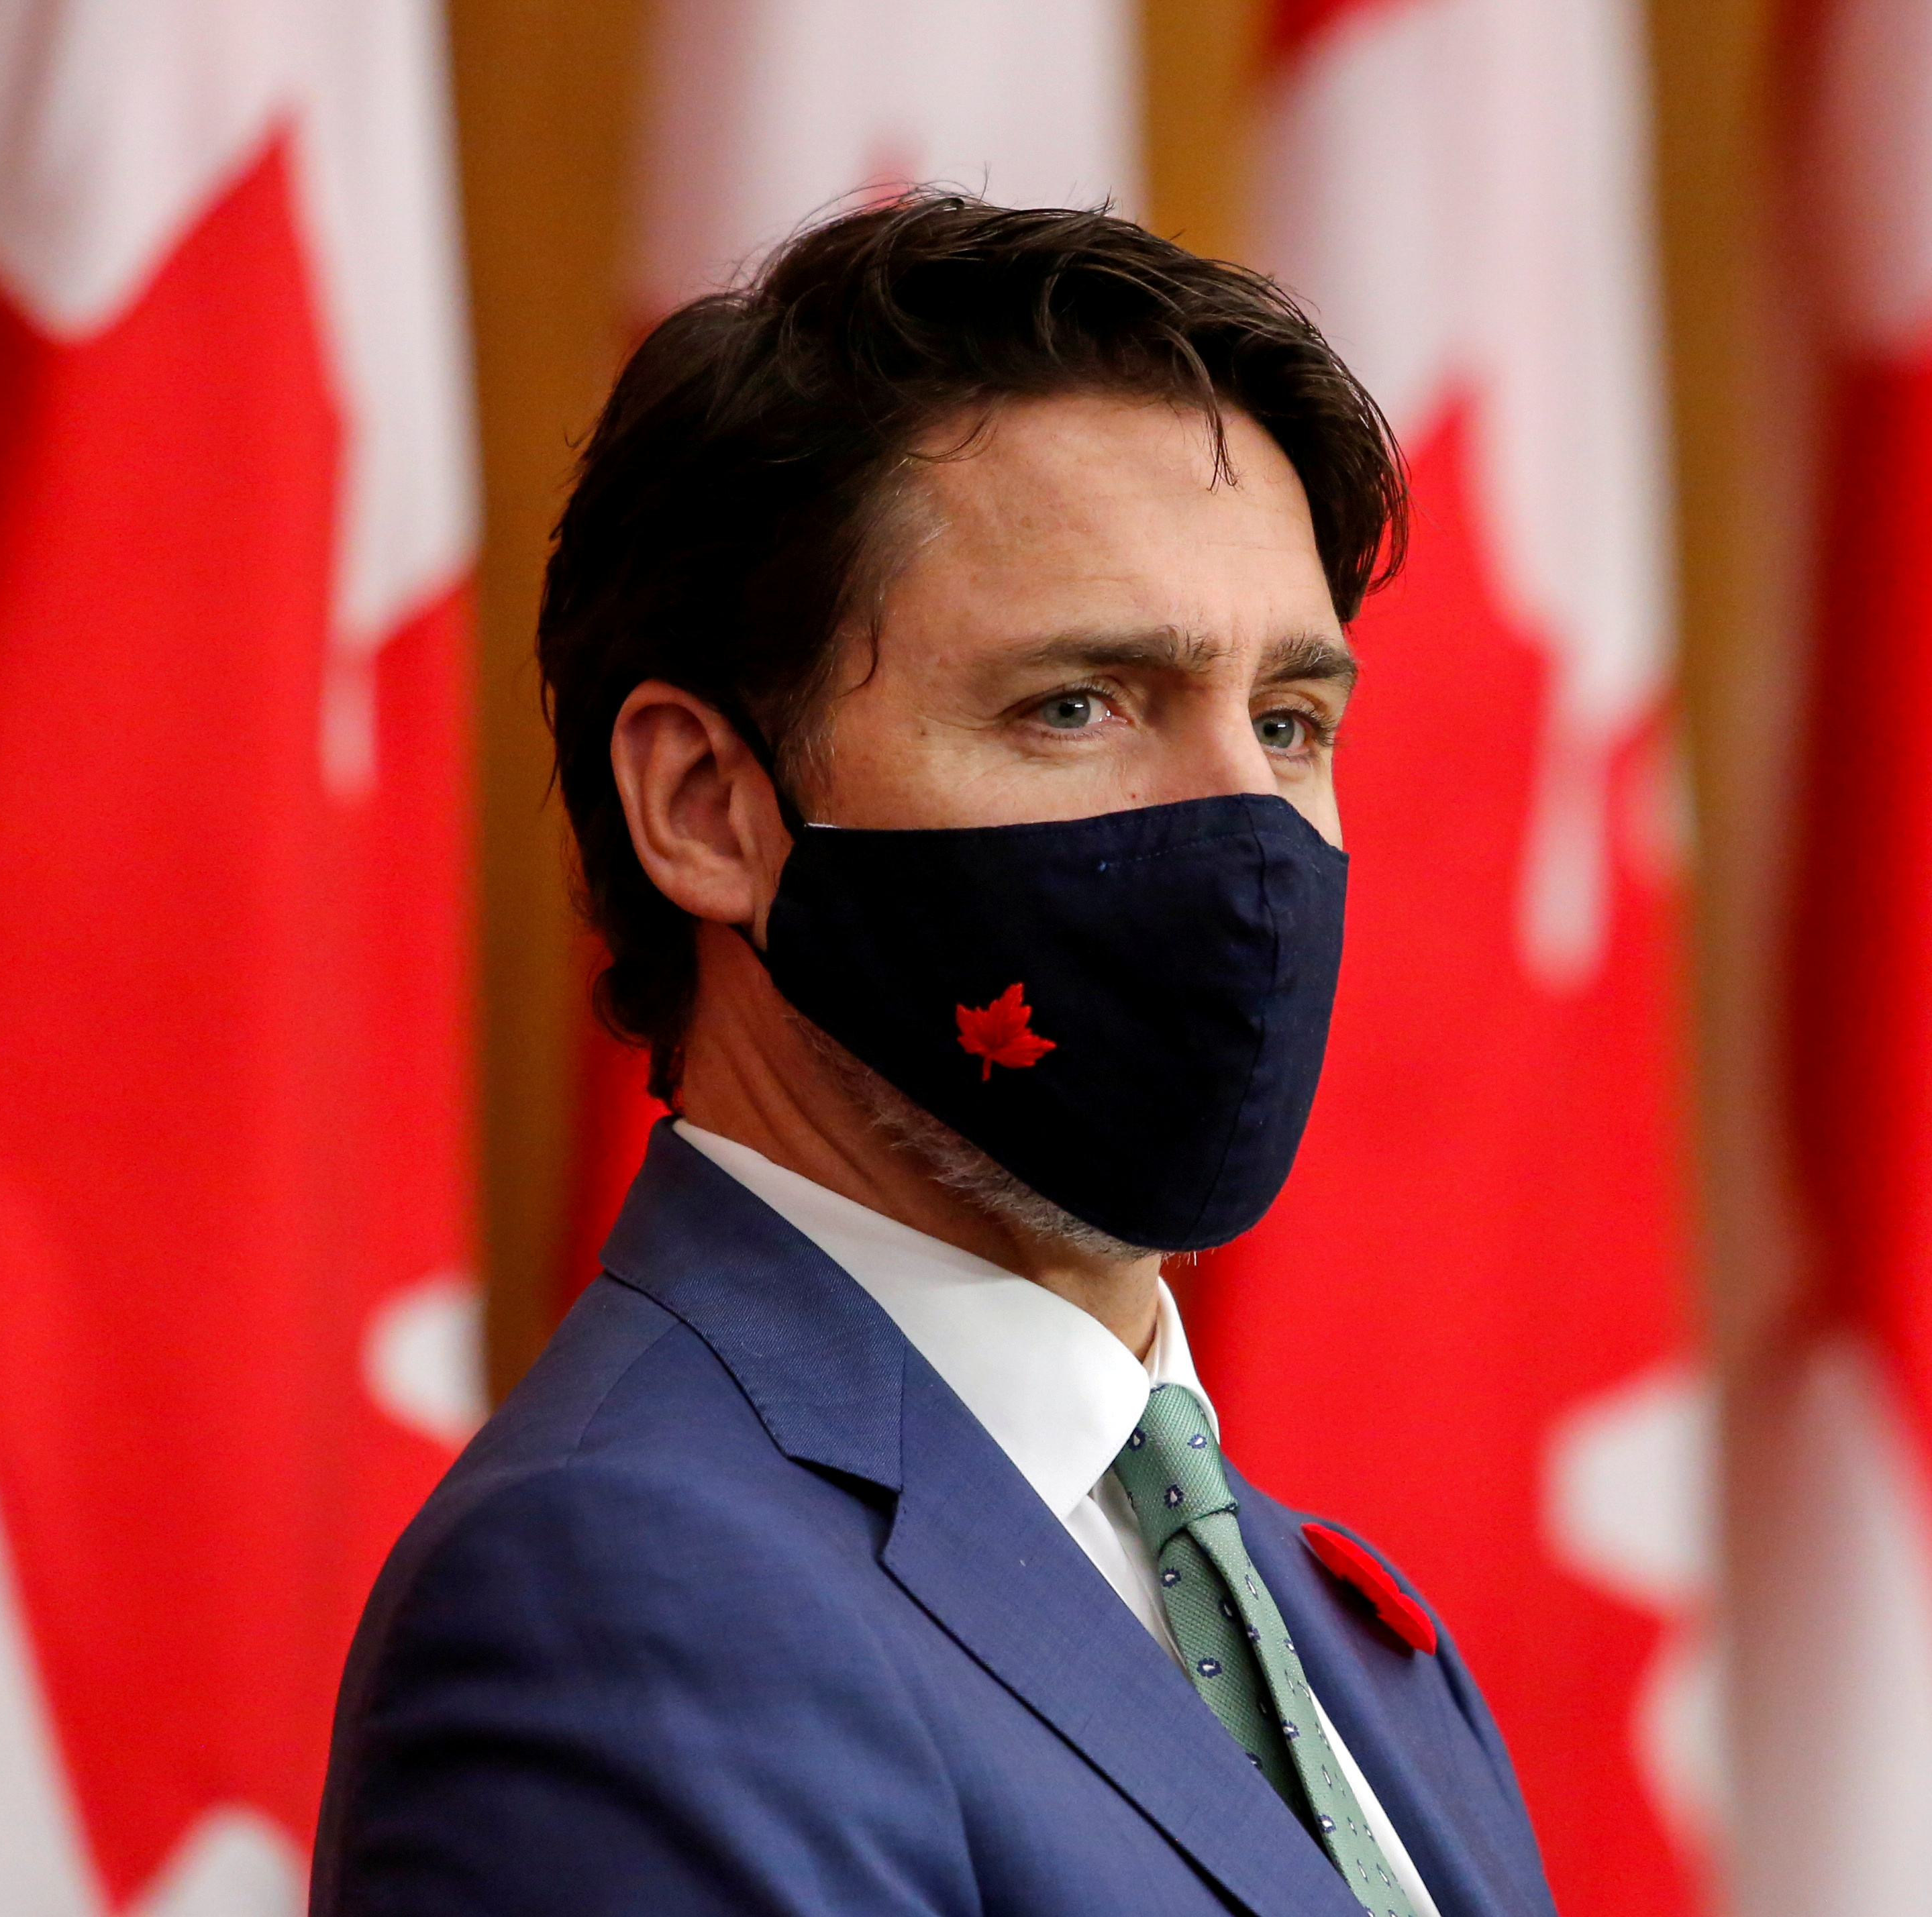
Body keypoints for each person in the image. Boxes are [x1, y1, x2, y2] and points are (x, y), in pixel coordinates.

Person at [313, 197, 1554, 1917]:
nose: (1245, 828)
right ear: (709, 807)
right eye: (1079, 704)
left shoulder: (1331, 1617)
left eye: (1287, 722)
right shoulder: (624, 1585)